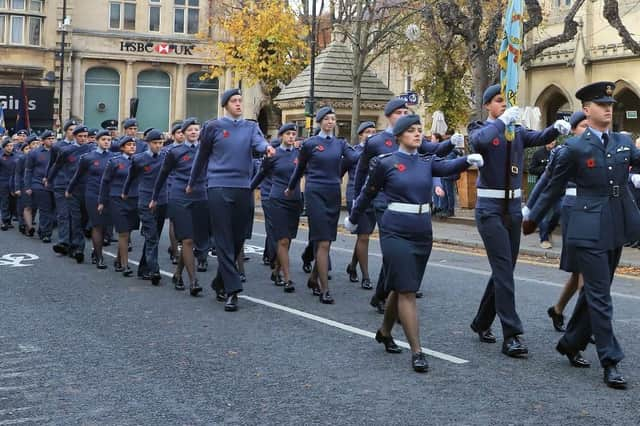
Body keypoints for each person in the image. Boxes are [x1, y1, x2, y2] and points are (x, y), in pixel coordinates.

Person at [345, 114, 484, 372]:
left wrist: (467, 160)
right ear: (398, 136)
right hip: (395, 230)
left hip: (422, 231)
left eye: (420, 130)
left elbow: (448, 167)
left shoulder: (426, 162)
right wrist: (354, 218)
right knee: (407, 291)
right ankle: (417, 351)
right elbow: (368, 192)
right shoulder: (385, 163)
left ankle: (385, 331)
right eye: (411, 130)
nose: (418, 134)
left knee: (401, 286)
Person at [523, 81, 640, 389]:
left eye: (611, 104)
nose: (608, 108)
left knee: (593, 293)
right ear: (586, 111)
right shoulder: (574, 147)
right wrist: (533, 217)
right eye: (602, 105)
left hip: (617, 223)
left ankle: (571, 342)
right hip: (587, 226)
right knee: (601, 296)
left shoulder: (623, 141)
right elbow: (553, 187)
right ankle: (610, 360)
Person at [467, 84, 570, 358]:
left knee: (504, 271)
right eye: (498, 101)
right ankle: (511, 335)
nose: (503, 105)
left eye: (506, 102)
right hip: (489, 209)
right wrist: (502, 121)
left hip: (512, 209)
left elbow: (536, 137)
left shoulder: (515, 131)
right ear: (488, 105)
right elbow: (480, 142)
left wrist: (555, 129)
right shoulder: (481, 128)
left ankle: (481, 321)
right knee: (503, 270)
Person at [354, 98, 455, 314]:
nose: (402, 115)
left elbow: (434, 151)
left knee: (395, 255)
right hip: (384, 202)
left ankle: (390, 292)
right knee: (394, 252)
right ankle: (398, 290)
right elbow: (362, 171)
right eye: (398, 112)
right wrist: (357, 199)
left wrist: (452, 142)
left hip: (408, 203)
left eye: (405, 111)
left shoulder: (414, 136)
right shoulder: (376, 141)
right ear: (389, 115)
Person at [188, 88, 275, 312]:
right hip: (218, 186)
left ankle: (220, 282)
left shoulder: (250, 127)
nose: (238, 104)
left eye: (240, 100)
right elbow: (202, 156)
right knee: (223, 239)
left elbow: (258, 143)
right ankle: (232, 290)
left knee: (238, 239)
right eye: (234, 101)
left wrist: (267, 148)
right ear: (225, 105)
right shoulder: (213, 127)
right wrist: (192, 181)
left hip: (243, 188)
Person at [523, 111, 589, 332]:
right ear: (572, 130)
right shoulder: (564, 151)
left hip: (596, 211)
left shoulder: (601, 147)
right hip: (573, 208)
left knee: (580, 271)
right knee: (585, 271)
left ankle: (558, 309)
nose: (587, 130)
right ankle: (585, 324)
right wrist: (530, 210)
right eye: (582, 126)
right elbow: (545, 182)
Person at [286, 106, 359, 304]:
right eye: (326, 118)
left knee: (326, 240)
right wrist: (291, 187)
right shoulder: (310, 144)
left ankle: (312, 279)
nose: (330, 122)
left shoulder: (340, 144)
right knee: (323, 241)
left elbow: (354, 159)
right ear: (319, 122)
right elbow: (300, 168)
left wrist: (371, 149)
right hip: (315, 192)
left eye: (333, 119)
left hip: (333, 193)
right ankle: (325, 289)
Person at [152, 118, 207, 296]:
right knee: (187, 240)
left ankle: (177, 274)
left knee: (192, 242)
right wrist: (155, 197)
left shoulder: (205, 151)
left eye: (196, 129)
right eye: (189, 129)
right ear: (182, 133)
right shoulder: (175, 152)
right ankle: (193, 281)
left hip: (200, 197)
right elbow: (162, 175)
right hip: (179, 197)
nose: (193, 132)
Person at [251, 123, 302, 292]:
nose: (291, 137)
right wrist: (248, 190)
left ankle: (276, 271)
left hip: (295, 200)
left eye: (293, 134)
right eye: (288, 134)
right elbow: (261, 174)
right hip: (277, 200)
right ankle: (287, 279)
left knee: (289, 240)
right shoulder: (273, 155)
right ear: (281, 136)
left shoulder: (299, 154)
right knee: (283, 239)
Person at [124, 129, 166, 286]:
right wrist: (125, 192)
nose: (158, 146)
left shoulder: (166, 157)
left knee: (154, 236)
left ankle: (143, 268)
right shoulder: (139, 159)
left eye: (161, 143)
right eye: (155, 143)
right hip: (145, 200)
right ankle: (154, 270)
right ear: (148, 143)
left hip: (162, 200)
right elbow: (131, 177)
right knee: (151, 236)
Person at [67, 130, 114, 269]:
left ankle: (96, 252)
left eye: (109, 139)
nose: (106, 142)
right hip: (93, 194)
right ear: (97, 141)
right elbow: (77, 176)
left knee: (106, 226)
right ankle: (99, 257)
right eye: (103, 139)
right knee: (97, 225)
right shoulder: (88, 158)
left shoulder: (114, 157)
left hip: (109, 195)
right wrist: (69, 190)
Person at [49, 126, 95, 263]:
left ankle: (73, 244)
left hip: (87, 189)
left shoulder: (91, 150)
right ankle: (78, 248)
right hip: (72, 188)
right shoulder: (66, 151)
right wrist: (49, 179)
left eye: (85, 136)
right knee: (75, 218)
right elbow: (56, 166)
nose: (83, 139)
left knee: (83, 220)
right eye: (80, 136)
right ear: (75, 136)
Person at [98, 136, 139, 277]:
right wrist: (102, 201)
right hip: (116, 198)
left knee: (128, 231)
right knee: (123, 232)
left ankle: (118, 259)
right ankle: (125, 265)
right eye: (129, 145)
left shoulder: (138, 161)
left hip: (134, 199)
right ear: (122, 147)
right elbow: (105, 182)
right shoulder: (115, 162)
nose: (132, 147)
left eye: (134, 145)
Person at [345, 121, 377, 289]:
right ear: (360, 135)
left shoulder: (378, 152)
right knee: (363, 235)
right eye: (367, 132)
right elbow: (340, 170)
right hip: (356, 196)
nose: (370, 134)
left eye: (373, 131)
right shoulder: (355, 152)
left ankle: (352, 266)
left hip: (374, 197)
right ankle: (365, 276)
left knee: (363, 235)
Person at [46, 119, 77, 253]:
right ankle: (64, 241)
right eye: (70, 130)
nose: (73, 132)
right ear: (65, 131)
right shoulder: (57, 146)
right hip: (61, 183)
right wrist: (48, 179)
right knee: (63, 214)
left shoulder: (81, 147)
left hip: (76, 185)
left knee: (75, 215)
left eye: (75, 130)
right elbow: (52, 164)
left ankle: (74, 242)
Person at [24, 130, 56, 242]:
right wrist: (28, 186)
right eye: (49, 139)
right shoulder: (34, 153)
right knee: (45, 209)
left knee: (52, 210)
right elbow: (28, 170)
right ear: (43, 141)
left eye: (53, 139)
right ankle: (46, 234)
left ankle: (43, 230)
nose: (52, 141)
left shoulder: (57, 152)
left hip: (54, 184)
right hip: (38, 184)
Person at [163, 123, 185, 265]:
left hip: (187, 189)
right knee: (173, 221)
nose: (181, 135)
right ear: (173, 135)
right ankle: (175, 252)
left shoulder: (192, 149)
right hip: (172, 188)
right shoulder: (167, 151)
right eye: (178, 133)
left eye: (183, 132)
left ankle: (179, 248)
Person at [13, 138, 36, 236]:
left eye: (38, 143)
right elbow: (17, 174)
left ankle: (28, 224)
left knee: (33, 207)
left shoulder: (37, 156)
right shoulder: (22, 158)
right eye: (34, 144)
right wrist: (17, 188)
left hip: (36, 184)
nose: (36, 145)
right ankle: (27, 227)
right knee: (26, 206)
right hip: (24, 184)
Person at [0, 138, 17, 230]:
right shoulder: (0, 157)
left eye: (11, 146)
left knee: (12, 202)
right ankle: (4, 221)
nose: (10, 148)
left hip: (14, 182)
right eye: (8, 146)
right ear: (4, 147)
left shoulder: (16, 156)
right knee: (4, 202)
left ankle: (9, 220)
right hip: (3, 182)